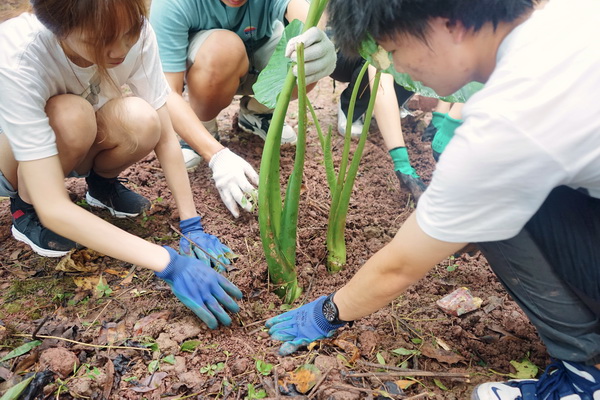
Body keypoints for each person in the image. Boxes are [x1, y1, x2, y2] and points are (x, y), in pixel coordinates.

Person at [265, 1, 600, 399]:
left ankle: (585, 378)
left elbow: (400, 266)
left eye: (394, 49)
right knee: (498, 200)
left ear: (447, 25)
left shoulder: (509, 117)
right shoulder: (571, 20)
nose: (395, 67)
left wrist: (327, 312)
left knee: (485, 200)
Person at [0, 0, 243, 330]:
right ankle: (24, 209)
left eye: (129, 33)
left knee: (143, 119)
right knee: (71, 115)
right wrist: (167, 262)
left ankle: (101, 186)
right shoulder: (19, 54)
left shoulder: (134, 29)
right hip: (14, 158)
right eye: (100, 40)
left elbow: (165, 135)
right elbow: (54, 207)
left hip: (73, 142)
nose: (120, 50)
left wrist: (191, 224)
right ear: (58, 29)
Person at [148, 0, 336, 218]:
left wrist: (318, 40)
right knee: (223, 48)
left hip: (260, 52)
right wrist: (216, 155)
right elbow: (166, 92)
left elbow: (303, 10)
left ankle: (257, 112)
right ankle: (202, 127)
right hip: (209, 66)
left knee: (303, 57)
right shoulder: (172, 4)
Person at [331, 53, 427, 201]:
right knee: (369, 68)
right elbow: (381, 84)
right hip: (347, 56)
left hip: (395, 52)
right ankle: (351, 108)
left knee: (414, 62)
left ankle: (390, 107)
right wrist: (402, 163)